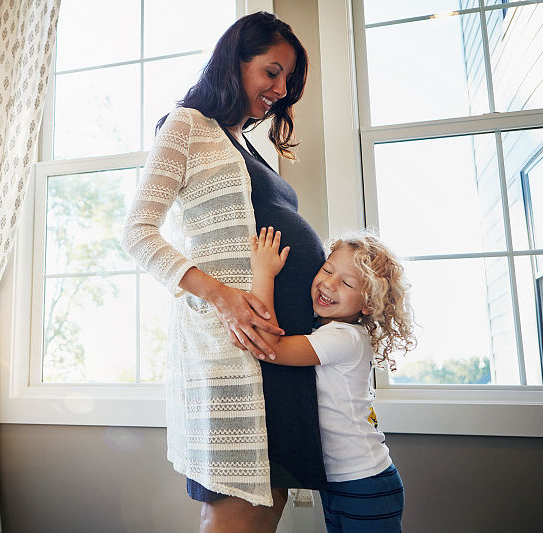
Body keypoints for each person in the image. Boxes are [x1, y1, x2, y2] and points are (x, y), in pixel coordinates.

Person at [121, 11, 326, 532]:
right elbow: (138, 233)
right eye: (271, 72)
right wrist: (221, 296)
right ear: (234, 63)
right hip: (236, 359)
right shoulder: (187, 126)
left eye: (287, 79)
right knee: (235, 515)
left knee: (267, 511)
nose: (280, 89)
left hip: (280, 360)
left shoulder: (245, 145)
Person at [248, 226, 416, 532]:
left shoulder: (343, 337)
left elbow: (267, 347)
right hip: (344, 481)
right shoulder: (328, 332)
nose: (328, 284)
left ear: (368, 304)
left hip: (364, 483)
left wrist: (264, 273)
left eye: (347, 283)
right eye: (327, 269)